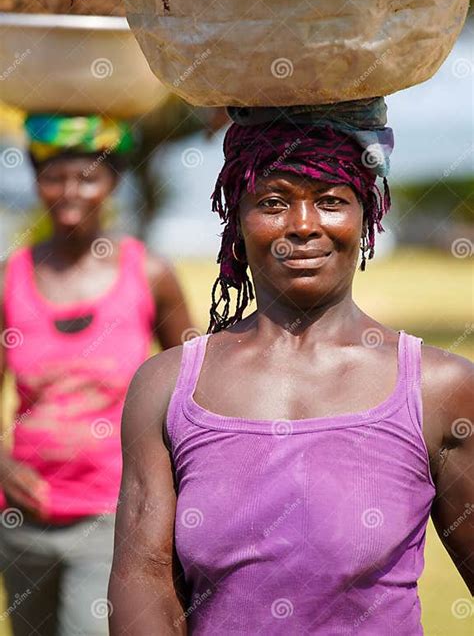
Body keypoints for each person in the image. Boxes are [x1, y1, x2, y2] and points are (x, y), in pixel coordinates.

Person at [107, 101, 473, 634]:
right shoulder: (166, 387)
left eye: (330, 201)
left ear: (367, 212)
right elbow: (144, 579)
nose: (302, 226)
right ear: (237, 218)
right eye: (274, 202)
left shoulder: (438, 388)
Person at [0, 114, 194, 635]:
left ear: (113, 182)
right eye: (53, 177)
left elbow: (193, 384)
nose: (69, 192)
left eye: (87, 177)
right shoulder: (10, 278)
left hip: (115, 514)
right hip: (23, 520)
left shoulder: (148, 273)